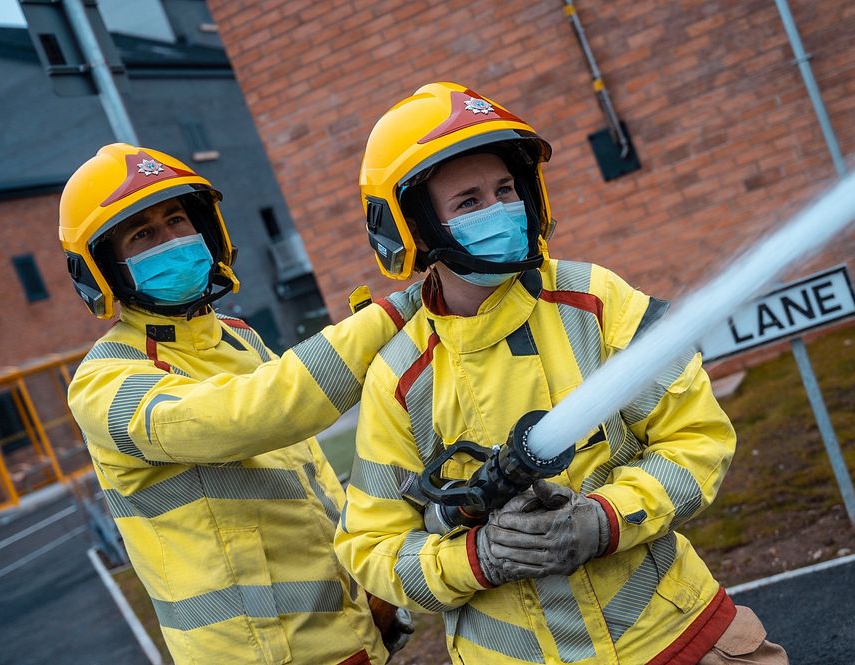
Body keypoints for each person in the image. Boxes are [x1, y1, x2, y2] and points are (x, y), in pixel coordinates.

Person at [334, 83, 788, 664]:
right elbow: (373, 549)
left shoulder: (597, 301)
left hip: (677, 640)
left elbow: (698, 441)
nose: (500, 210)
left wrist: (602, 521)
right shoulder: (400, 376)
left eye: (505, 190)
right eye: (468, 203)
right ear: (413, 230)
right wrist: (479, 559)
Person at [61, 143, 417, 665]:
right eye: (143, 235)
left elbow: (312, 479)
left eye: (179, 220)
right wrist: (392, 313)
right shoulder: (104, 381)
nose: (173, 240)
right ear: (101, 270)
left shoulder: (239, 339)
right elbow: (240, 417)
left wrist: (371, 590)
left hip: (352, 641)